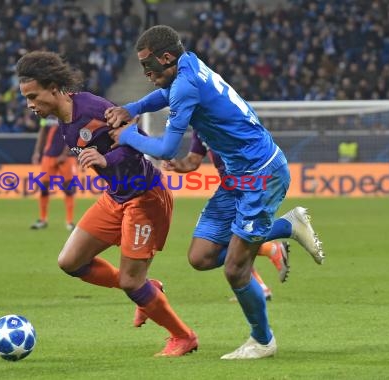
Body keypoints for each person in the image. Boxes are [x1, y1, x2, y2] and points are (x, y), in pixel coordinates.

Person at [105, 25, 324, 359]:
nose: (147, 74)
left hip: (261, 173)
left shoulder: (186, 83)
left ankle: (263, 341)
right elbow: (168, 95)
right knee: (201, 256)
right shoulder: (189, 64)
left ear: (167, 57)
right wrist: (133, 108)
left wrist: (128, 136)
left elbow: (165, 148)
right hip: (237, 176)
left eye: (149, 68)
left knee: (235, 268)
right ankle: (287, 226)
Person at [16, 50, 198, 357]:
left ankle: (183, 336)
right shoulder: (64, 118)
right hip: (116, 197)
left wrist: (106, 157)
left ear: (53, 88)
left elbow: (136, 140)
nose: (31, 105)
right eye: (26, 98)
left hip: (144, 197)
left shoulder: (93, 109)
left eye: (33, 97)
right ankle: (148, 288)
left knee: (130, 282)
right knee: (70, 262)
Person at [163, 131, 291, 300]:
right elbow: (193, 161)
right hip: (229, 186)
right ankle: (262, 276)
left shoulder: (226, 118)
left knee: (213, 246)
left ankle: (278, 239)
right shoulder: (200, 129)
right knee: (230, 239)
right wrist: (177, 165)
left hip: (245, 183)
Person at [30, 116, 77, 231]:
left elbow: (72, 135)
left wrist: (65, 153)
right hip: (49, 155)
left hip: (66, 158)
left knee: (68, 188)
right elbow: (42, 133)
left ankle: (70, 222)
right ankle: (42, 219)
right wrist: (37, 152)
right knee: (44, 188)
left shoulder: (66, 114)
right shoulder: (46, 116)